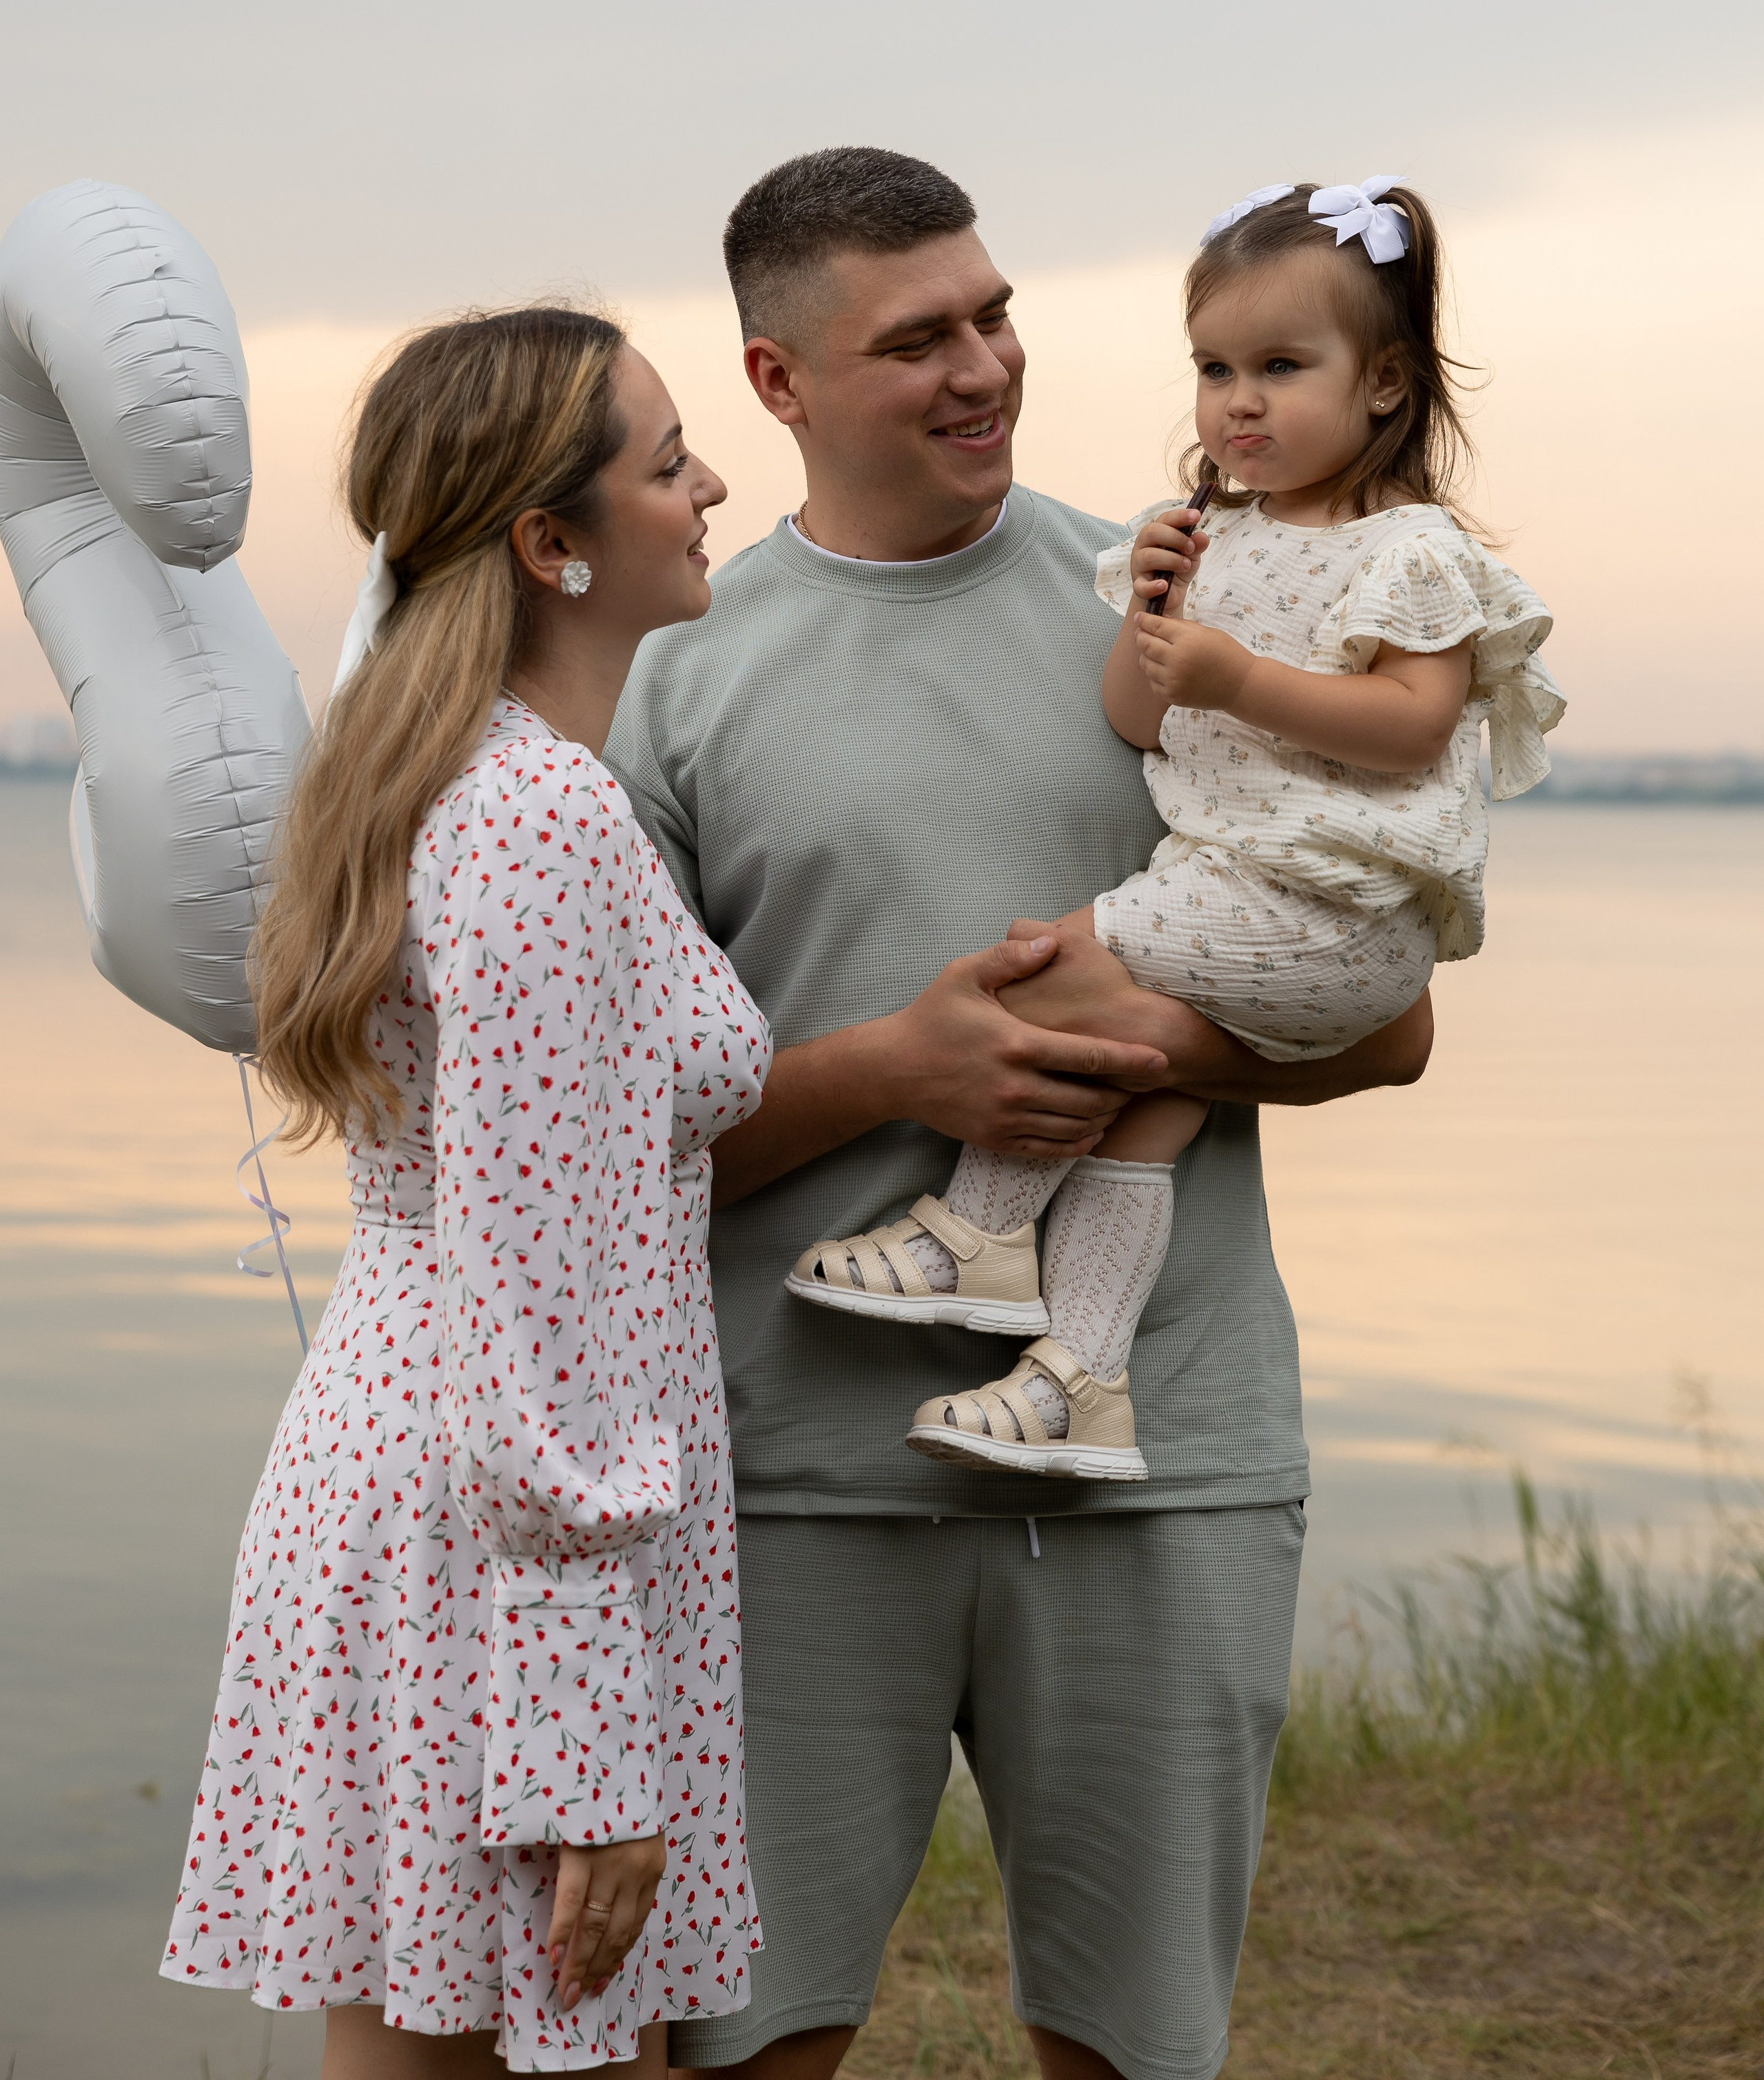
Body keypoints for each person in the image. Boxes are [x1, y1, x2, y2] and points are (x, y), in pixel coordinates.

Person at [603, 148, 1433, 2080]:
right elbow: (606, 1149)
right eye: (918, 340)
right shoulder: (672, 676)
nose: (984, 366)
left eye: (995, 314)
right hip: (785, 1478)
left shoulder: (1178, 608)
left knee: (1142, 2051)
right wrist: (902, 1072)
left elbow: (1387, 1027)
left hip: (1169, 1455)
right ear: (778, 381)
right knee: (739, 2052)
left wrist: (1135, 1055)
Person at [163, 306, 772, 2078]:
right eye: (668, 463)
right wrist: (592, 1759)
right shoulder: (532, 823)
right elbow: (540, 1299)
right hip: (488, 1554)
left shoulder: (486, 792)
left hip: (437, 1512)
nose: (709, 480)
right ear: (547, 543)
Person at [786, 175, 1562, 1481]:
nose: (1239, 401)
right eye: (1214, 367)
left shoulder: (1411, 553)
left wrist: (1239, 677)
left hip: (1330, 913)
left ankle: (976, 1232)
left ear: (1382, 385)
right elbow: (1140, 723)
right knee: (1147, 1119)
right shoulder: (1207, 536)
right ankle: (1080, 1381)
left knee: (1049, 969)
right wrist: (1155, 632)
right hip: (1255, 906)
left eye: (1280, 364)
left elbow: (1417, 723)